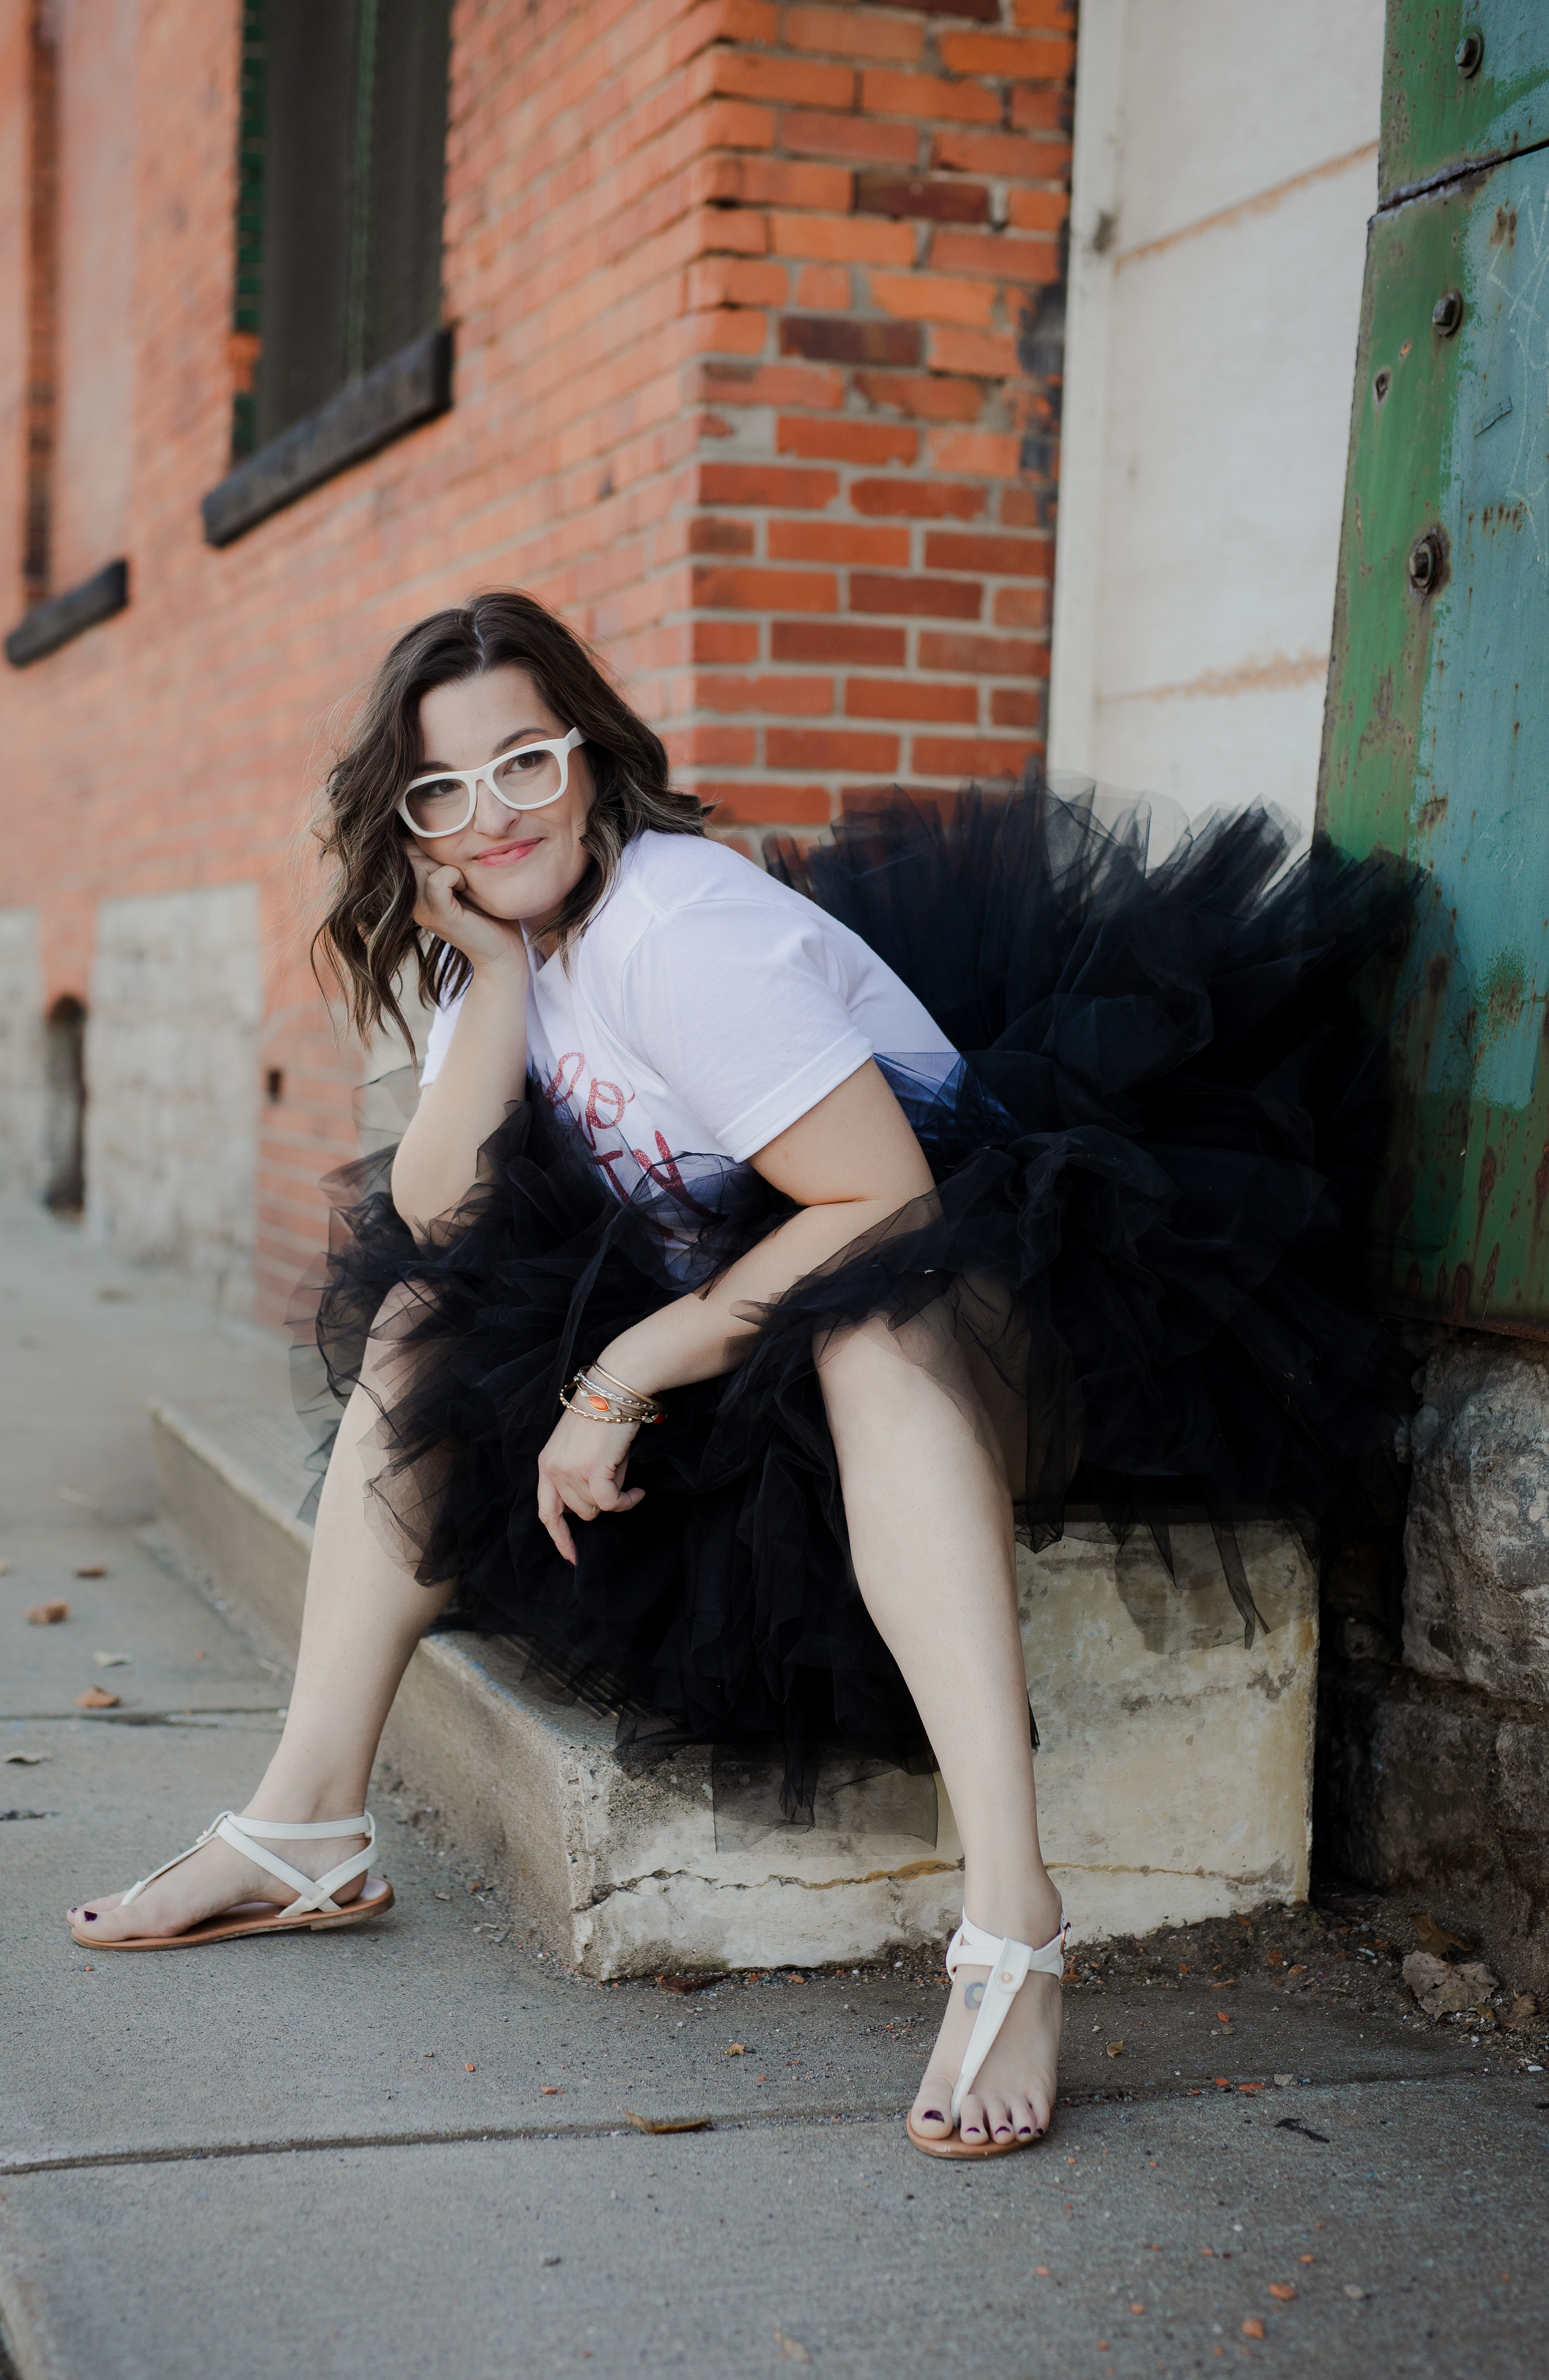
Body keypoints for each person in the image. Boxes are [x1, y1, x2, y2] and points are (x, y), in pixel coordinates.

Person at [70, 590, 1408, 2162]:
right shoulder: (509, 945)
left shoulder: (682, 935)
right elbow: (431, 1219)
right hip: (750, 1323)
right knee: (424, 1313)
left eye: (523, 763)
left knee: (868, 1325)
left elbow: (889, 1210)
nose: (494, 814)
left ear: (591, 755)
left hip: (1001, 1313)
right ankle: (308, 1819)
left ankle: (1017, 1922)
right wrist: (491, 979)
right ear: (412, 830)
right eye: (443, 791)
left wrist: (627, 1370)